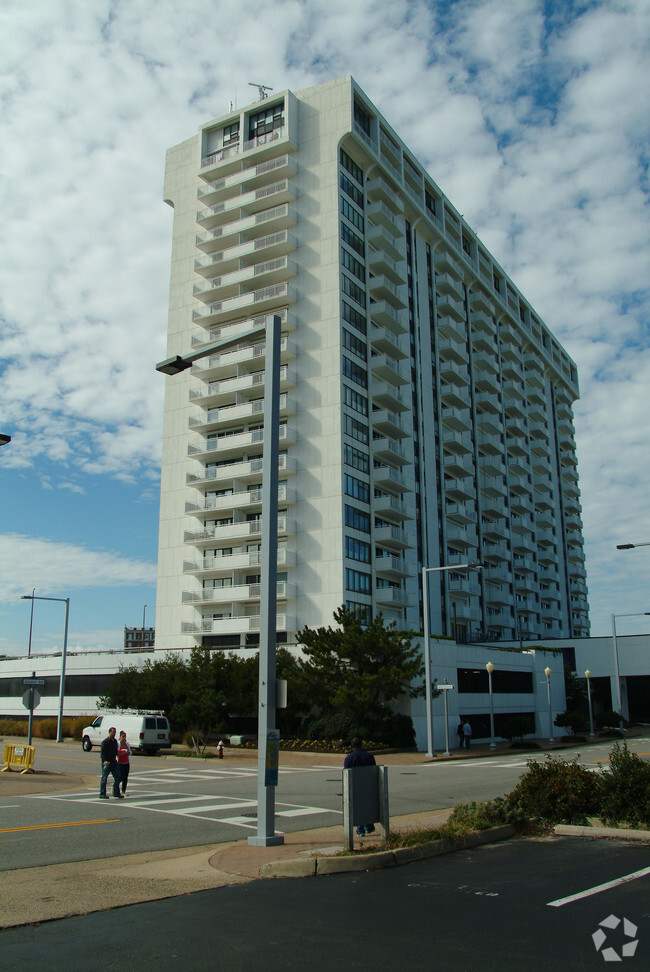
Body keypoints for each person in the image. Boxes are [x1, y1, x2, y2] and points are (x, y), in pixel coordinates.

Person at [343, 736, 376, 836]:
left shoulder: (349, 758)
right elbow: (373, 770)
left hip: (355, 786)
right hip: (367, 784)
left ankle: (360, 829)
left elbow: (346, 773)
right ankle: (368, 826)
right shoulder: (369, 757)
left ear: (352, 746)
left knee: (357, 808)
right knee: (367, 806)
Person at [99, 726, 123, 799]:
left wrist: (119, 753)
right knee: (104, 778)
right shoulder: (105, 742)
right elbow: (102, 753)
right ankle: (102, 793)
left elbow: (115, 751)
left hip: (114, 762)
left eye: (115, 732)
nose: (114, 734)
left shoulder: (115, 741)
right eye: (113, 732)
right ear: (110, 732)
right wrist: (104, 761)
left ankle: (116, 792)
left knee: (118, 777)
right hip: (107, 762)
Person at [117, 730, 132, 796]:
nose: (124, 738)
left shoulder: (127, 744)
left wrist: (128, 753)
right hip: (120, 762)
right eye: (123, 736)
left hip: (126, 762)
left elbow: (130, 752)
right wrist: (121, 752)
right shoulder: (118, 743)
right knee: (120, 777)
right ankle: (115, 787)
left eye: (125, 736)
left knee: (125, 777)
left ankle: (123, 791)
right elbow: (116, 752)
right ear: (120, 737)